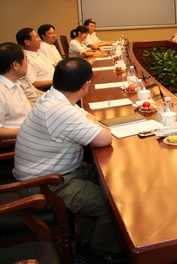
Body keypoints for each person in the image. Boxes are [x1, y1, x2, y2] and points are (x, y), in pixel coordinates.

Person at [13, 58, 126, 261]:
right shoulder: (59, 110)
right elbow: (104, 138)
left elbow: (88, 118)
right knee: (113, 205)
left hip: (59, 173)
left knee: (112, 180)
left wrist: (92, 123)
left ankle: (86, 239)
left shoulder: (54, 98)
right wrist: (96, 126)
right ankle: (99, 253)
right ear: (85, 85)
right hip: (44, 184)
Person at [0, 43, 32, 139]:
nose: (28, 63)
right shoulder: (1, 91)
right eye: (26, 59)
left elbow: (25, 105)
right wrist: (29, 132)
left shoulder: (14, 82)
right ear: (15, 65)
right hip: (19, 141)